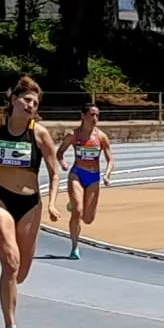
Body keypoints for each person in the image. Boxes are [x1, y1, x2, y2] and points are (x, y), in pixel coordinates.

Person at [0, 75, 62, 328]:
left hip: (31, 203)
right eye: (26, 99)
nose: (30, 105)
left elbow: (54, 171)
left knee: (21, 271)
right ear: (13, 100)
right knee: (10, 262)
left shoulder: (39, 133)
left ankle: (10, 291)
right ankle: (10, 326)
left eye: (35, 102)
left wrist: (53, 202)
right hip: (0, 199)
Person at [55, 104, 115, 259]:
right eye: (91, 115)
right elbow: (60, 152)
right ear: (83, 116)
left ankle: (74, 204)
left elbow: (110, 159)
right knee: (78, 211)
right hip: (77, 174)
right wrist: (63, 163)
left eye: (97, 115)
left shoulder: (101, 137)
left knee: (88, 219)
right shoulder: (73, 135)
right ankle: (74, 247)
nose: (95, 118)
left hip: (93, 177)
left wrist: (107, 174)